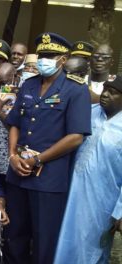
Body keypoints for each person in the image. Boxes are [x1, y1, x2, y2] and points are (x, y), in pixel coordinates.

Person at [2, 32, 91, 264]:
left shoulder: (75, 89)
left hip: (48, 180)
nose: (44, 60)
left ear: (63, 59)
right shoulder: (29, 85)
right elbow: (14, 123)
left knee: (44, 241)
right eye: (42, 55)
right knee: (14, 236)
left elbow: (75, 137)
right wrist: (12, 155)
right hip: (18, 175)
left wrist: (38, 160)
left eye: (50, 55)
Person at [54, 75, 122, 263]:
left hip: (101, 200)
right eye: (105, 89)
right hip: (68, 189)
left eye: (113, 92)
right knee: (60, 239)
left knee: (90, 246)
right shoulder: (88, 112)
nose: (105, 94)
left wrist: (120, 211)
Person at [0, 62, 17, 186]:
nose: (2, 86)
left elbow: (15, 127)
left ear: (14, 77)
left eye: (5, 82)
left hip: (10, 154)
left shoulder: (20, 95)